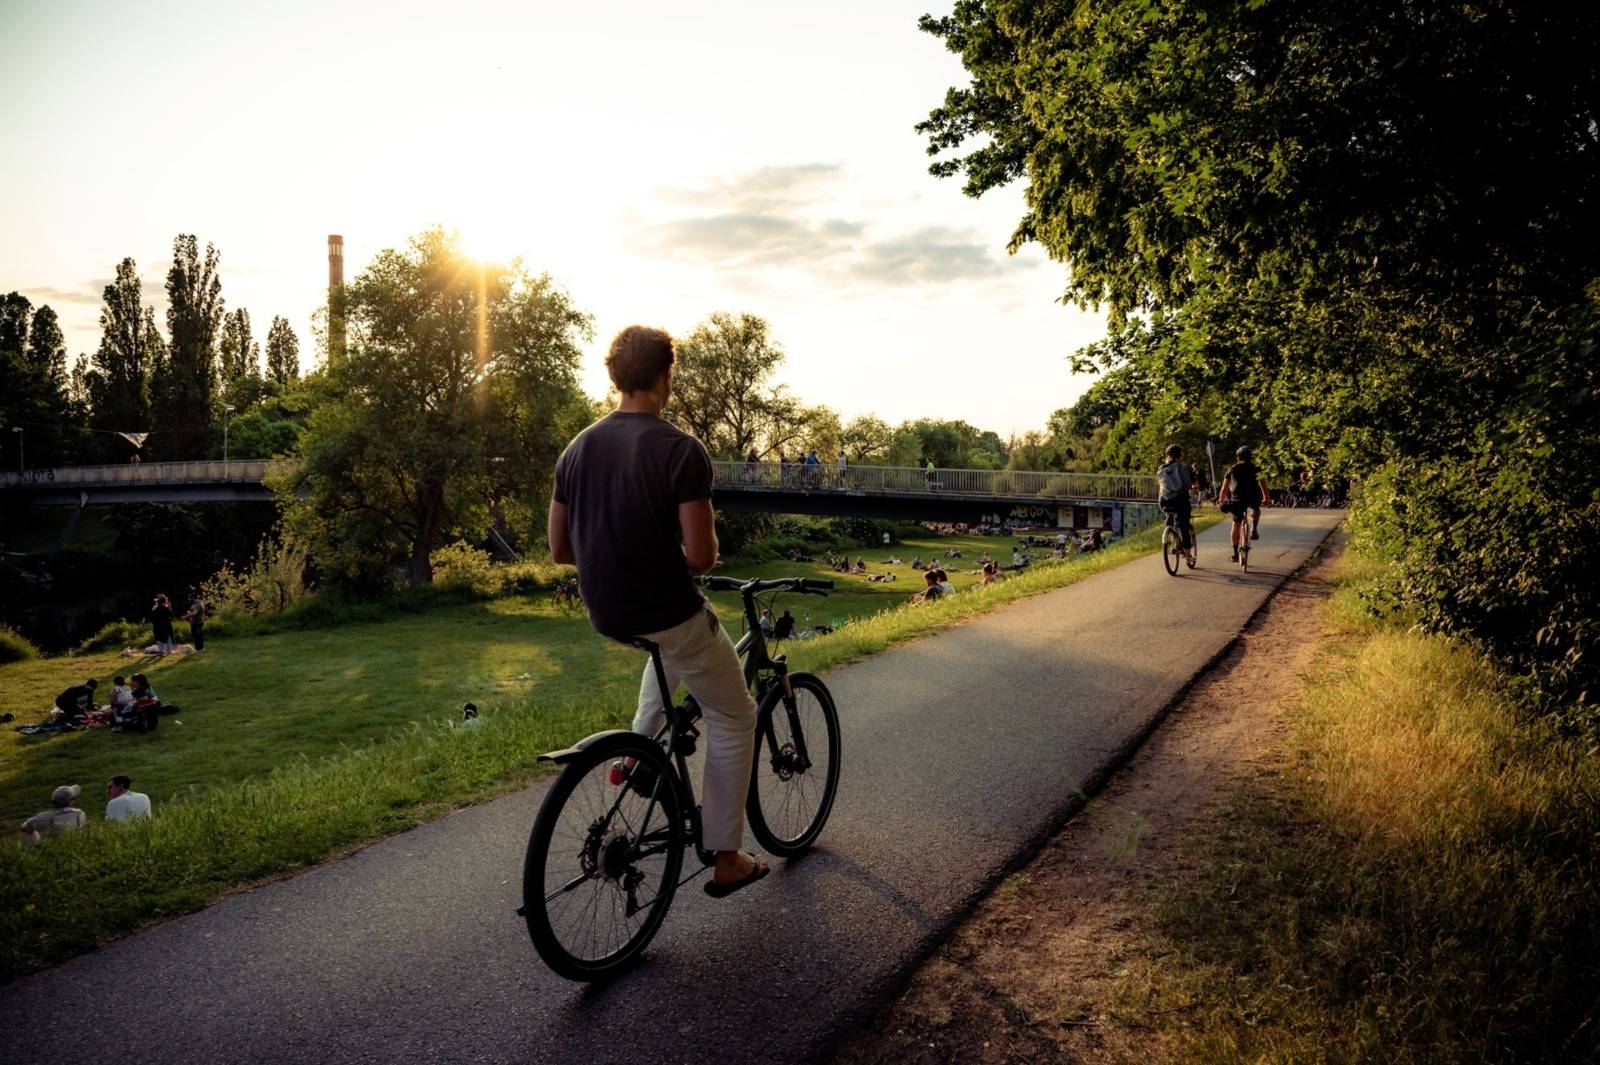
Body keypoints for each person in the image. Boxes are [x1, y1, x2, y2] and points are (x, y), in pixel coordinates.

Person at [547, 325, 768, 897]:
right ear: (666, 376)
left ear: (615, 376)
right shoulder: (680, 450)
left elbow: (560, 549)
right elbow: (701, 555)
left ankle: (636, 755)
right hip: (668, 608)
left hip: (609, 611)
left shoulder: (576, 448)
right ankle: (726, 857)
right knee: (735, 716)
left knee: (669, 651)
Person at [1218, 446, 1271, 562]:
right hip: (1253, 497)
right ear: (1250, 457)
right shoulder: (1256, 468)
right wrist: (1266, 498)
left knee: (1236, 524)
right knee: (1256, 508)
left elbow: (1224, 488)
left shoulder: (1232, 469)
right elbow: (1263, 485)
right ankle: (1254, 529)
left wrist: (1221, 499)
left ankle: (1235, 554)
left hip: (1237, 500)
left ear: (1238, 457)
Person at [1157, 444, 1197, 568]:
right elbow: (1187, 484)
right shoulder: (1183, 467)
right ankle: (1188, 555)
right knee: (1184, 525)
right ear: (1180, 455)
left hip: (1164, 501)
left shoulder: (1161, 468)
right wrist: (1192, 487)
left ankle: (1169, 525)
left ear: (1167, 455)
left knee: (1169, 512)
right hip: (1180, 500)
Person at [20, 785, 86, 845]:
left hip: (50, 848)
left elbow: (24, 827)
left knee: (28, 831)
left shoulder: (42, 817)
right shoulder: (80, 813)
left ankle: (31, 851)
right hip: (75, 845)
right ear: (70, 801)